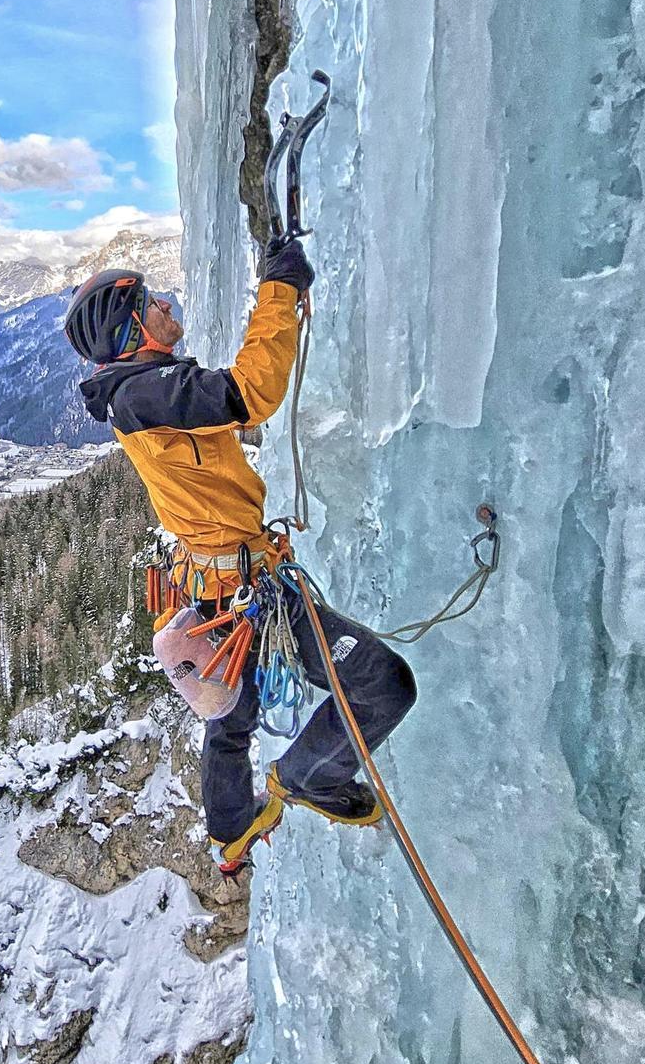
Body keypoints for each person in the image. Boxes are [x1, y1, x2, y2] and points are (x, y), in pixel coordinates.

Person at [65, 241, 417, 876]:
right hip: (252, 590)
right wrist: (279, 290)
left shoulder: (137, 397)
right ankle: (311, 777)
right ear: (134, 331)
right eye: (151, 302)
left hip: (216, 587)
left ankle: (230, 826)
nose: (168, 304)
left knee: (234, 713)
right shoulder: (148, 392)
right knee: (381, 682)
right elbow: (250, 394)